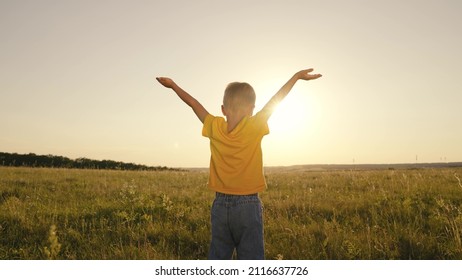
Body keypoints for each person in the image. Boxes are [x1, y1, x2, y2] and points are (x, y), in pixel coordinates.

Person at [156, 68, 322, 259]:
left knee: (219, 256)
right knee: (252, 260)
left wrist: (173, 86)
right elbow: (277, 99)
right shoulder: (255, 125)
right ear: (252, 109)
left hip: (220, 205)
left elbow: (193, 103)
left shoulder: (214, 126)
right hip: (248, 205)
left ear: (223, 109)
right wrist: (296, 77)